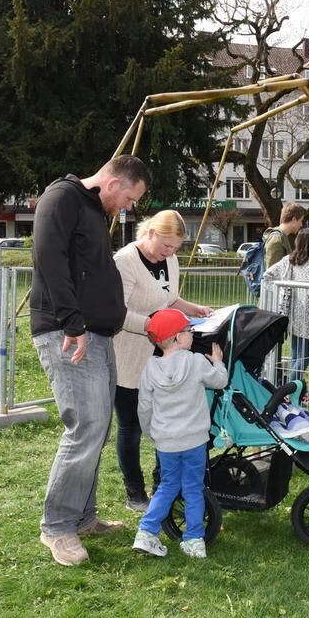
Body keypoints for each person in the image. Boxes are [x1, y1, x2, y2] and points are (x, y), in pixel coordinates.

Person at [31, 155, 149, 566]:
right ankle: (58, 528)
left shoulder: (93, 209)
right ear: (114, 182)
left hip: (95, 334)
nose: (128, 207)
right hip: (69, 334)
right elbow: (49, 260)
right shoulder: (61, 198)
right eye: (130, 198)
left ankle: (83, 516)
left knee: (98, 429)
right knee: (85, 428)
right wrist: (72, 324)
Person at [112, 210, 212, 513]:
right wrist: (155, 327)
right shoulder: (125, 262)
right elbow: (118, 312)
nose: (170, 253)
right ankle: (135, 492)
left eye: (176, 248)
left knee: (167, 422)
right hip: (129, 358)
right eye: (166, 245)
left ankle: (162, 485)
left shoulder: (169, 260)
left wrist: (194, 309)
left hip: (165, 357)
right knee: (131, 426)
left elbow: (168, 299)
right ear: (151, 232)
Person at [132, 309, 227, 559]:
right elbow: (220, 381)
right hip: (194, 440)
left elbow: (144, 407)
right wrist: (217, 361)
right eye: (188, 330)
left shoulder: (150, 369)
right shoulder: (196, 362)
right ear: (176, 338)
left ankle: (146, 532)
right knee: (193, 488)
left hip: (166, 442)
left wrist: (152, 432)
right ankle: (194, 540)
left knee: (167, 486)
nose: (192, 334)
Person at [261, 228, 309, 401]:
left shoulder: (289, 260)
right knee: (304, 356)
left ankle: (293, 392)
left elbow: (268, 274)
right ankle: (286, 390)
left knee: (297, 354)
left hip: (292, 313)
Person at [263, 202, 306, 269]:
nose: (301, 225)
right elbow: (272, 273)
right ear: (294, 219)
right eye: (300, 221)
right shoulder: (276, 239)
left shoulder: (283, 237)